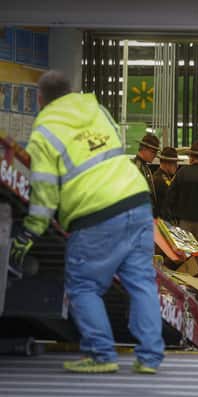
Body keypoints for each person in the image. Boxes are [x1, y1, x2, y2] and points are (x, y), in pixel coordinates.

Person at [9, 70, 164, 374]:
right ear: (71, 91)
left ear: (40, 100)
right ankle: (149, 358)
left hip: (96, 212)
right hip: (136, 199)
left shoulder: (45, 131)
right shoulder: (97, 110)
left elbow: (44, 193)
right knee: (142, 282)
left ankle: (101, 354)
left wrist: (29, 233)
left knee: (83, 286)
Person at [134, 133, 160, 214]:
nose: (155, 155)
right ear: (144, 148)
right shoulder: (136, 167)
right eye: (153, 152)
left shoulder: (145, 167)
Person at [152, 146, 178, 221]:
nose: (177, 166)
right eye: (175, 163)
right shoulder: (161, 180)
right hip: (162, 221)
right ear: (167, 163)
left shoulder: (159, 176)